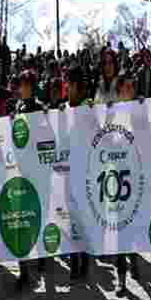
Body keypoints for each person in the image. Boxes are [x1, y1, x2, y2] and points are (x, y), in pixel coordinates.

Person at [12, 69, 48, 291]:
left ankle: (42, 257)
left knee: (37, 216)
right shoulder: (18, 107)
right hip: (21, 171)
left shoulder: (39, 107)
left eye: (25, 84)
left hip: (36, 171)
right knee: (21, 220)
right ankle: (24, 270)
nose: (21, 88)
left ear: (32, 87)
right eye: (21, 84)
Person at [59, 65, 93, 281]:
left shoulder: (87, 108)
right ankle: (74, 263)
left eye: (69, 83)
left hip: (84, 172)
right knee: (70, 219)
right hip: (67, 173)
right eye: (65, 83)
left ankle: (83, 263)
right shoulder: (62, 109)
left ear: (77, 86)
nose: (66, 87)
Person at [112, 70, 144, 297]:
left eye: (132, 87)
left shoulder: (141, 111)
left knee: (132, 227)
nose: (130, 91)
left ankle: (135, 259)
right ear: (119, 89)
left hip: (135, 178)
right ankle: (121, 280)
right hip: (115, 179)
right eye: (126, 87)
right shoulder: (110, 112)